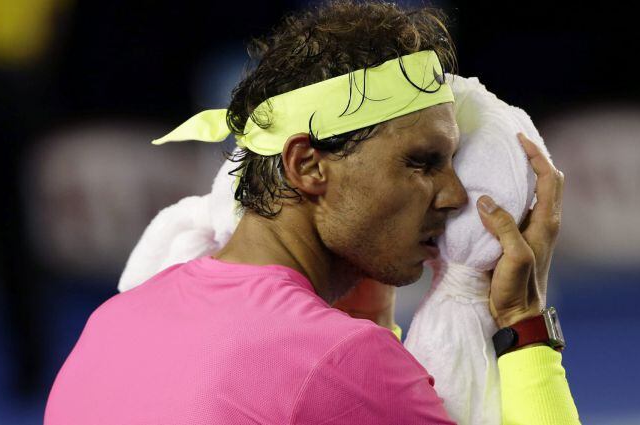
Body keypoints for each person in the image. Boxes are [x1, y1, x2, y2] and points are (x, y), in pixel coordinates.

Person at [44, 1, 579, 423]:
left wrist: (371, 323)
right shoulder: (342, 361)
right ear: (307, 165)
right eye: (422, 162)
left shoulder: (114, 320)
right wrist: (522, 321)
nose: (453, 195)